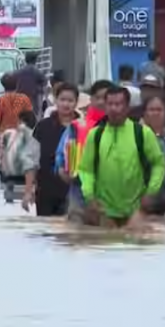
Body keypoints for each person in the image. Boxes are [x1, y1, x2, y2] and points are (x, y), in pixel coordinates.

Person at [76, 86, 165, 228]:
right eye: (110, 104)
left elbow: (158, 164)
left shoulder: (142, 133)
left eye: (118, 104)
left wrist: (151, 192)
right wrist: (89, 196)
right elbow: (86, 169)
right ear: (105, 107)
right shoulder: (95, 134)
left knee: (133, 247)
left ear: (127, 107)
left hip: (136, 209)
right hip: (104, 210)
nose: (114, 108)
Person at [55, 80, 113, 222]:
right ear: (91, 100)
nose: (101, 102)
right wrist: (63, 172)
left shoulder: (123, 129)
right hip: (79, 198)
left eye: (105, 98)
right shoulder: (76, 127)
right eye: (97, 97)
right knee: (77, 238)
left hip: (111, 199)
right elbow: (60, 159)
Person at [33, 83, 80, 216]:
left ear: (76, 102)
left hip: (73, 191)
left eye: (70, 100)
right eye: (62, 99)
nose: (66, 104)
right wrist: (29, 188)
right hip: (45, 190)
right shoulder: (43, 126)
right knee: (45, 232)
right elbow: (32, 158)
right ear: (55, 100)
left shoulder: (81, 128)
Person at [0, 111, 40, 212]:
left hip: (9, 177)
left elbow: (1, 152)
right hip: (28, 177)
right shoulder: (35, 135)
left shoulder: (8, 133)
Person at [14, 52, 47, 117]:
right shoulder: (37, 71)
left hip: (21, 97)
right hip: (34, 98)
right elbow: (44, 82)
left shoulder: (19, 71)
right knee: (35, 116)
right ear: (35, 60)